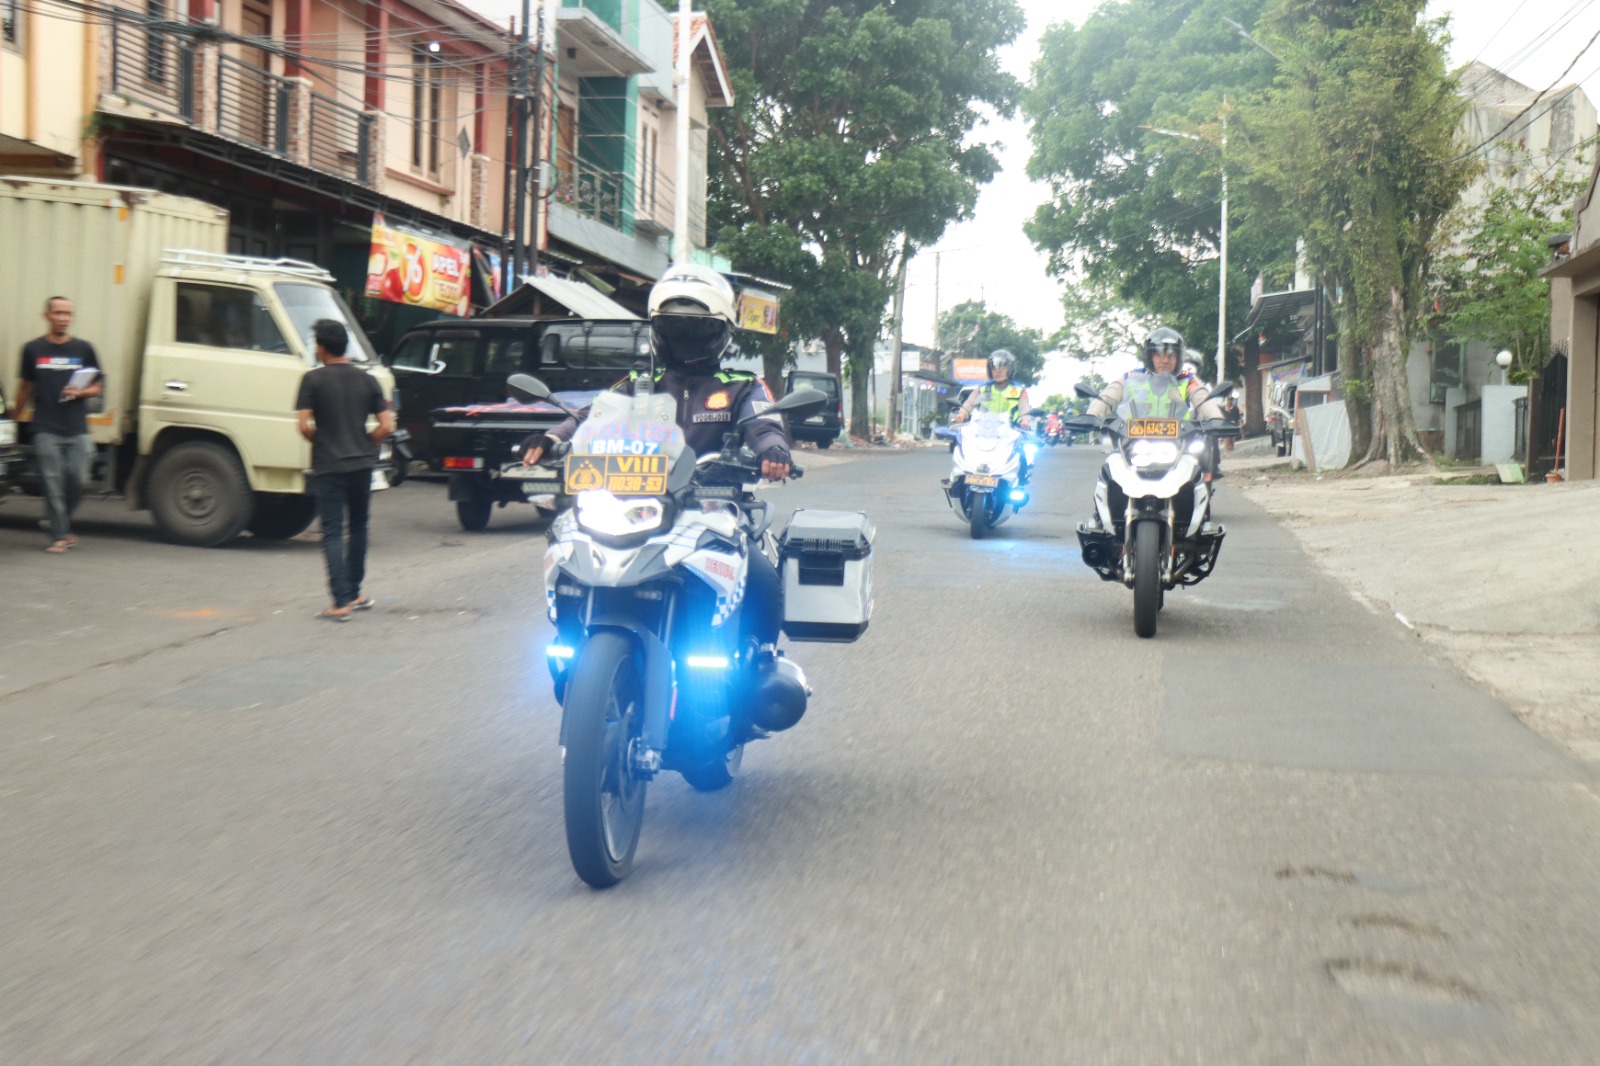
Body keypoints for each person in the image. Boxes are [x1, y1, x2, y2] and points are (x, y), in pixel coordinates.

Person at [520, 263, 792, 645]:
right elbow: (590, 417)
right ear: (658, 330)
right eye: (674, 327)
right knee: (571, 548)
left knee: (761, 572)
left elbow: (763, 423)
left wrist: (773, 450)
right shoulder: (638, 384)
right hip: (631, 496)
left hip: (711, 503)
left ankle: (758, 658)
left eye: (697, 329)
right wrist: (550, 439)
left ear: (721, 334)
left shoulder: (741, 386)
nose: (685, 337)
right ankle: (571, 645)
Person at [295, 318, 393, 622]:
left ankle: (340, 603)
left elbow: (303, 425)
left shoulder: (313, 379)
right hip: (362, 464)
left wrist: (321, 440)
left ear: (321, 347)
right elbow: (386, 425)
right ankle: (355, 593)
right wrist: (368, 443)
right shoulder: (368, 380)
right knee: (359, 527)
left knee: (334, 531)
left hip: (330, 465)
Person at [13, 296, 103, 554]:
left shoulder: (84, 349)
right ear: (47, 316)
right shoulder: (32, 349)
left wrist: (80, 393)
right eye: (58, 313)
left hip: (76, 427)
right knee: (51, 482)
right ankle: (60, 536)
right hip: (45, 426)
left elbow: (97, 386)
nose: (63, 318)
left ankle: (57, 520)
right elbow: (25, 387)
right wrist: (13, 418)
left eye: (68, 313)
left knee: (79, 479)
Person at [953, 348, 1034, 480]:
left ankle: (1019, 482)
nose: (997, 371)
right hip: (983, 431)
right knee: (963, 448)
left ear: (1010, 369)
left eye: (1002, 367)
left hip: (1010, 432)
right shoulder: (983, 388)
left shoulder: (1019, 390)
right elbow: (968, 404)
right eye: (994, 367)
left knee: (1024, 453)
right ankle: (959, 481)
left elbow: (1024, 409)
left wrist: (1025, 420)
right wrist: (961, 414)